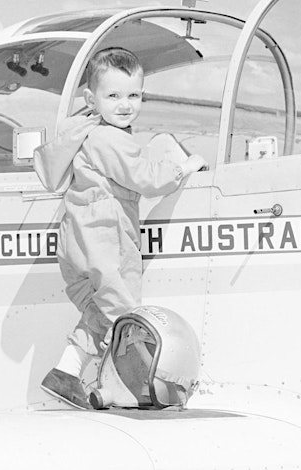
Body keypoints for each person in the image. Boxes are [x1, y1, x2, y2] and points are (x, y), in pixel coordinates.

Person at [34, 47, 206, 408]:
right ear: (91, 99)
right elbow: (144, 177)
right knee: (126, 315)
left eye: (133, 95)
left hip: (77, 239)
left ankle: (65, 374)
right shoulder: (109, 137)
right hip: (106, 237)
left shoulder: (84, 133)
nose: (124, 104)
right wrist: (183, 169)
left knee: (101, 313)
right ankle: (138, 388)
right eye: (113, 96)